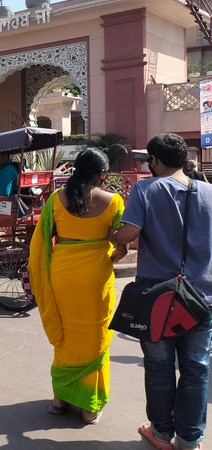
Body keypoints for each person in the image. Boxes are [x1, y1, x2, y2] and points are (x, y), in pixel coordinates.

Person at [109, 133, 212, 450]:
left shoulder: (145, 189)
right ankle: (190, 439)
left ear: (154, 161)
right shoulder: (209, 192)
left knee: (159, 369)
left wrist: (112, 233)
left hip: (157, 297)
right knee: (197, 370)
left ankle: (162, 433)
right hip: (202, 298)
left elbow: (130, 233)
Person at [29, 148, 127, 425]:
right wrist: (107, 254)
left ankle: (59, 399)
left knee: (66, 337)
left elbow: (41, 242)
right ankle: (88, 407)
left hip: (62, 277)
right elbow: (121, 248)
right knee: (95, 340)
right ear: (102, 174)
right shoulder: (114, 201)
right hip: (96, 280)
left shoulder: (56, 200)